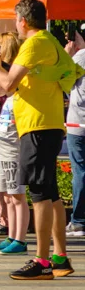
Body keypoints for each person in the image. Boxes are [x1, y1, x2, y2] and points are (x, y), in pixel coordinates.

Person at [0, 0, 76, 280]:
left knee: (40, 194)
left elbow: (6, 84)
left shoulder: (33, 43)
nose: (15, 25)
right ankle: (59, 257)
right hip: (46, 124)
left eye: (16, 20)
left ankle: (42, 261)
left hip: (37, 126)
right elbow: (15, 84)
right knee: (50, 194)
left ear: (23, 21)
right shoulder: (49, 41)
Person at [0, 32, 30, 255]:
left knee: (17, 195)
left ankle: (20, 239)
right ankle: (12, 235)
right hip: (4, 144)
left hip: (13, 147)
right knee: (7, 195)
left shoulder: (18, 89)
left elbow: (1, 88)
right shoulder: (11, 96)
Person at [65, 31, 85, 238]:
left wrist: (69, 55)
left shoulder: (80, 57)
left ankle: (78, 221)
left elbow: (65, 82)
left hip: (78, 124)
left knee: (79, 172)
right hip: (78, 123)